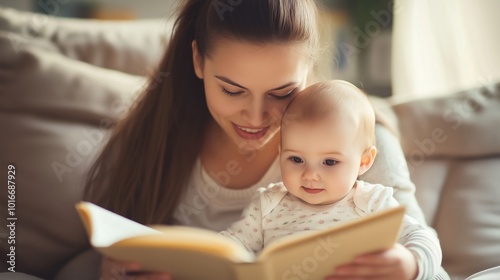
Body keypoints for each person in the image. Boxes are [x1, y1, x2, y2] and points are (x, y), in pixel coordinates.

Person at [83, 0, 450, 279]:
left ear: (307, 71)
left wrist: (409, 268)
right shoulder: (157, 135)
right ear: (198, 61)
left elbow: (433, 263)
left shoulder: (359, 142)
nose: (256, 118)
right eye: (232, 90)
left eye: (281, 93)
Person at [219, 80, 442, 280]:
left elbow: (423, 236)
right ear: (281, 152)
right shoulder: (267, 205)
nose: (310, 175)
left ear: (364, 161)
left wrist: (411, 263)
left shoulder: (372, 202)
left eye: (329, 162)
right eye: (296, 159)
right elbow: (232, 245)